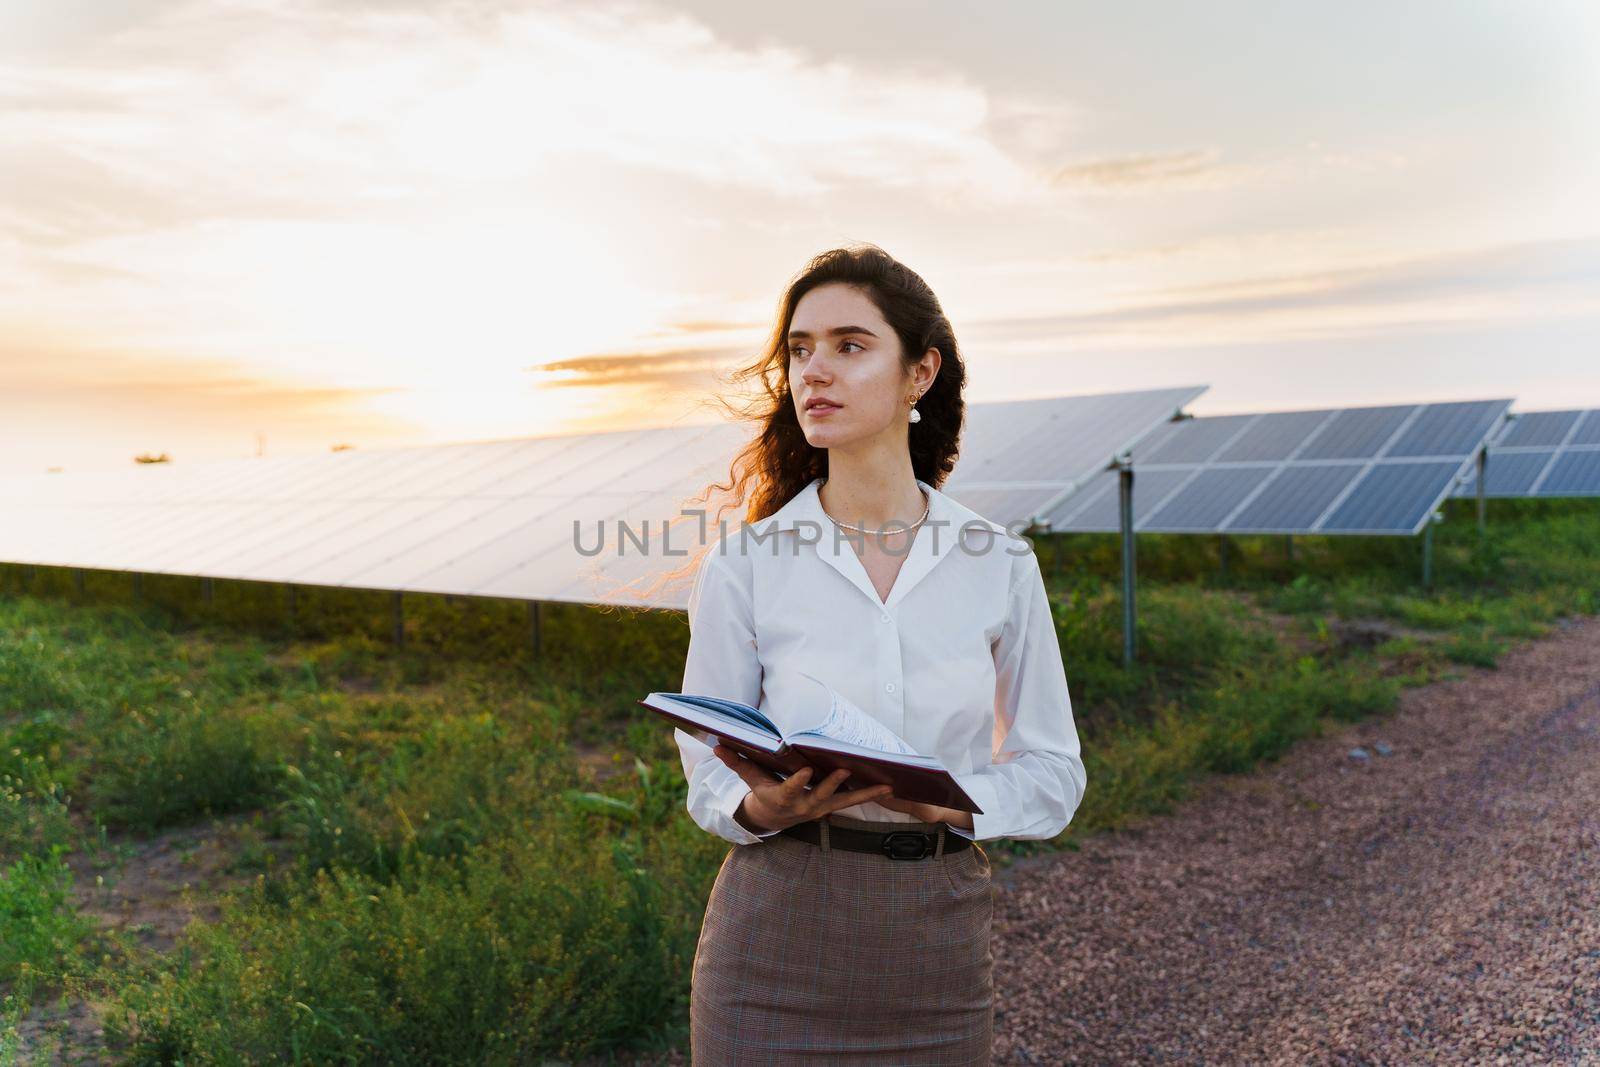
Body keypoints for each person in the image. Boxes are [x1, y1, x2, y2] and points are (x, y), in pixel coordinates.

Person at [673, 244, 1086, 1065]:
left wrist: (955, 803)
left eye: (849, 345)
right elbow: (705, 758)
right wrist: (761, 807)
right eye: (799, 349)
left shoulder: (997, 560)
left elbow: (1052, 770)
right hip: (772, 937)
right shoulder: (746, 562)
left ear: (920, 373)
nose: (813, 370)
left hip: (934, 948)